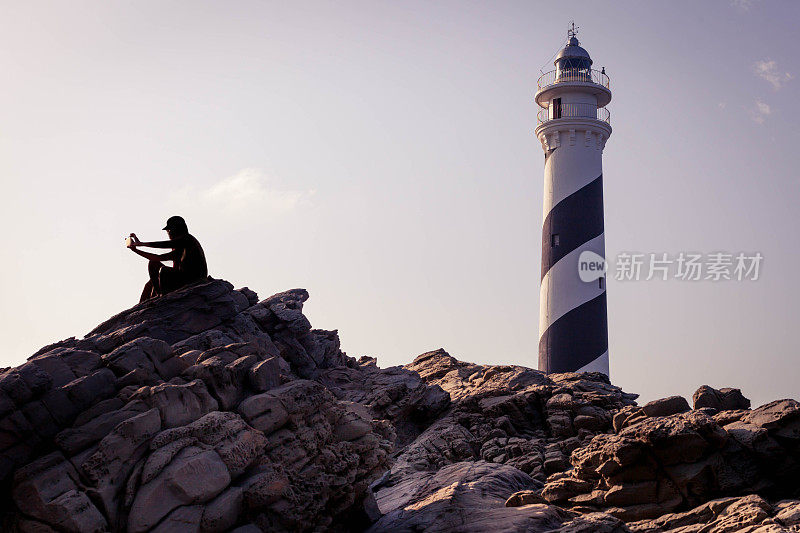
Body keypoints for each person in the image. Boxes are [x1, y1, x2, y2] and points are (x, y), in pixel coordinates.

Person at [127, 216, 208, 302]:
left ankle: (161, 297)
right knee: (151, 276)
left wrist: (141, 244)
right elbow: (157, 258)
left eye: (169, 230)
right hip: (185, 278)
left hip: (194, 279)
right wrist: (136, 250)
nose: (168, 233)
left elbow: (164, 244)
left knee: (164, 271)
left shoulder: (187, 240)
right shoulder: (181, 247)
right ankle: (153, 299)